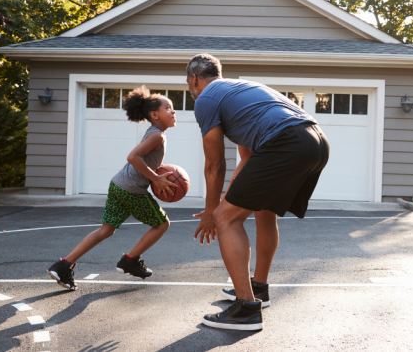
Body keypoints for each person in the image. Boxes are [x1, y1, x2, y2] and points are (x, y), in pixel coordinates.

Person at [187, 54, 329, 331]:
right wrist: (229, 198)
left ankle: (246, 309)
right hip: (315, 141)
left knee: (227, 219)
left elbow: (215, 164)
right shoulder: (241, 90)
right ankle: (258, 289)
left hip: (286, 143)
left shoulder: (206, 99)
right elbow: (247, 158)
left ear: (194, 79)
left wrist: (212, 212)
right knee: (263, 211)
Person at [47, 86, 178, 290]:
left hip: (118, 185)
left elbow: (142, 159)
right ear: (155, 115)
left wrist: (156, 172)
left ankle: (64, 264)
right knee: (162, 224)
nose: (173, 111)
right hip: (131, 189)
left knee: (106, 230)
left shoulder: (156, 133)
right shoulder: (157, 136)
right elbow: (132, 157)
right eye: (168, 108)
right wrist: (156, 178)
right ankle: (130, 261)